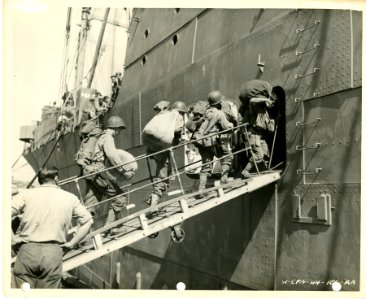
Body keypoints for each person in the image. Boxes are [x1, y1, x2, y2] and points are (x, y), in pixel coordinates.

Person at [11, 167, 93, 289]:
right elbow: (88, 220)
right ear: (56, 179)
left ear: (39, 180)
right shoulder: (70, 197)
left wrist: (13, 239)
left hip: (27, 251)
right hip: (53, 253)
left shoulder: (26, 194)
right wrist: (72, 243)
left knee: (23, 294)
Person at [83, 116, 137, 235]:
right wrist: (124, 171)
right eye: (120, 129)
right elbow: (112, 156)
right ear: (116, 128)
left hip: (89, 172)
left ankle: (81, 235)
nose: (119, 132)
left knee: (91, 204)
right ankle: (110, 227)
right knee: (120, 198)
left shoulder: (101, 136)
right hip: (98, 171)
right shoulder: (108, 138)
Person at [146, 101, 187, 208]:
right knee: (162, 177)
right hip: (162, 150)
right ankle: (153, 205)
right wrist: (179, 136)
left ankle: (152, 198)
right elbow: (177, 129)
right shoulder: (176, 115)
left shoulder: (163, 116)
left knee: (171, 176)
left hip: (155, 148)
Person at [194, 92, 235, 196]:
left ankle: (201, 190)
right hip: (213, 141)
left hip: (202, 142)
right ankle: (224, 179)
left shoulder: (204, 112)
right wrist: (232, 125)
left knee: (206, 167)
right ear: (218, 103)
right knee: (227, 157)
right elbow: (228, 127)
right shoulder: (219, 113)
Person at [238, 80, 276, 178]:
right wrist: (267, 100)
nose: (272, 106)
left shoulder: (265, 112)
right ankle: (245, 172)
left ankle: (265, 169)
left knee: (266, 153)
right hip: (253, 135)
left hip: (260, 136)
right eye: (272, 103)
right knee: (259, 155)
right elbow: (252, 100)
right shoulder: (254, 108)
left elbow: (269, 128)